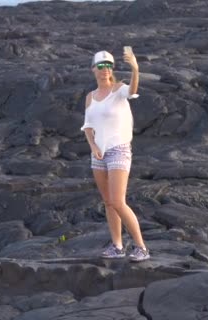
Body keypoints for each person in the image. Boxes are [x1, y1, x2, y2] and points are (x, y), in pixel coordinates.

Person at [80, 49, 150, 262]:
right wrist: (93, 147)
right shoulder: (90, 97)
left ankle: (141, 248)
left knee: (118, 201)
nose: (105, 70)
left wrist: (135, 68)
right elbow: (88, 127)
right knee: (108, 202)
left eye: (108, 66)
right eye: (101, 66)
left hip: (119, 149)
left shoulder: (118, 89)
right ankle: (117, 246)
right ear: (93, 69)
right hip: (98, 154)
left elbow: (133, 90)